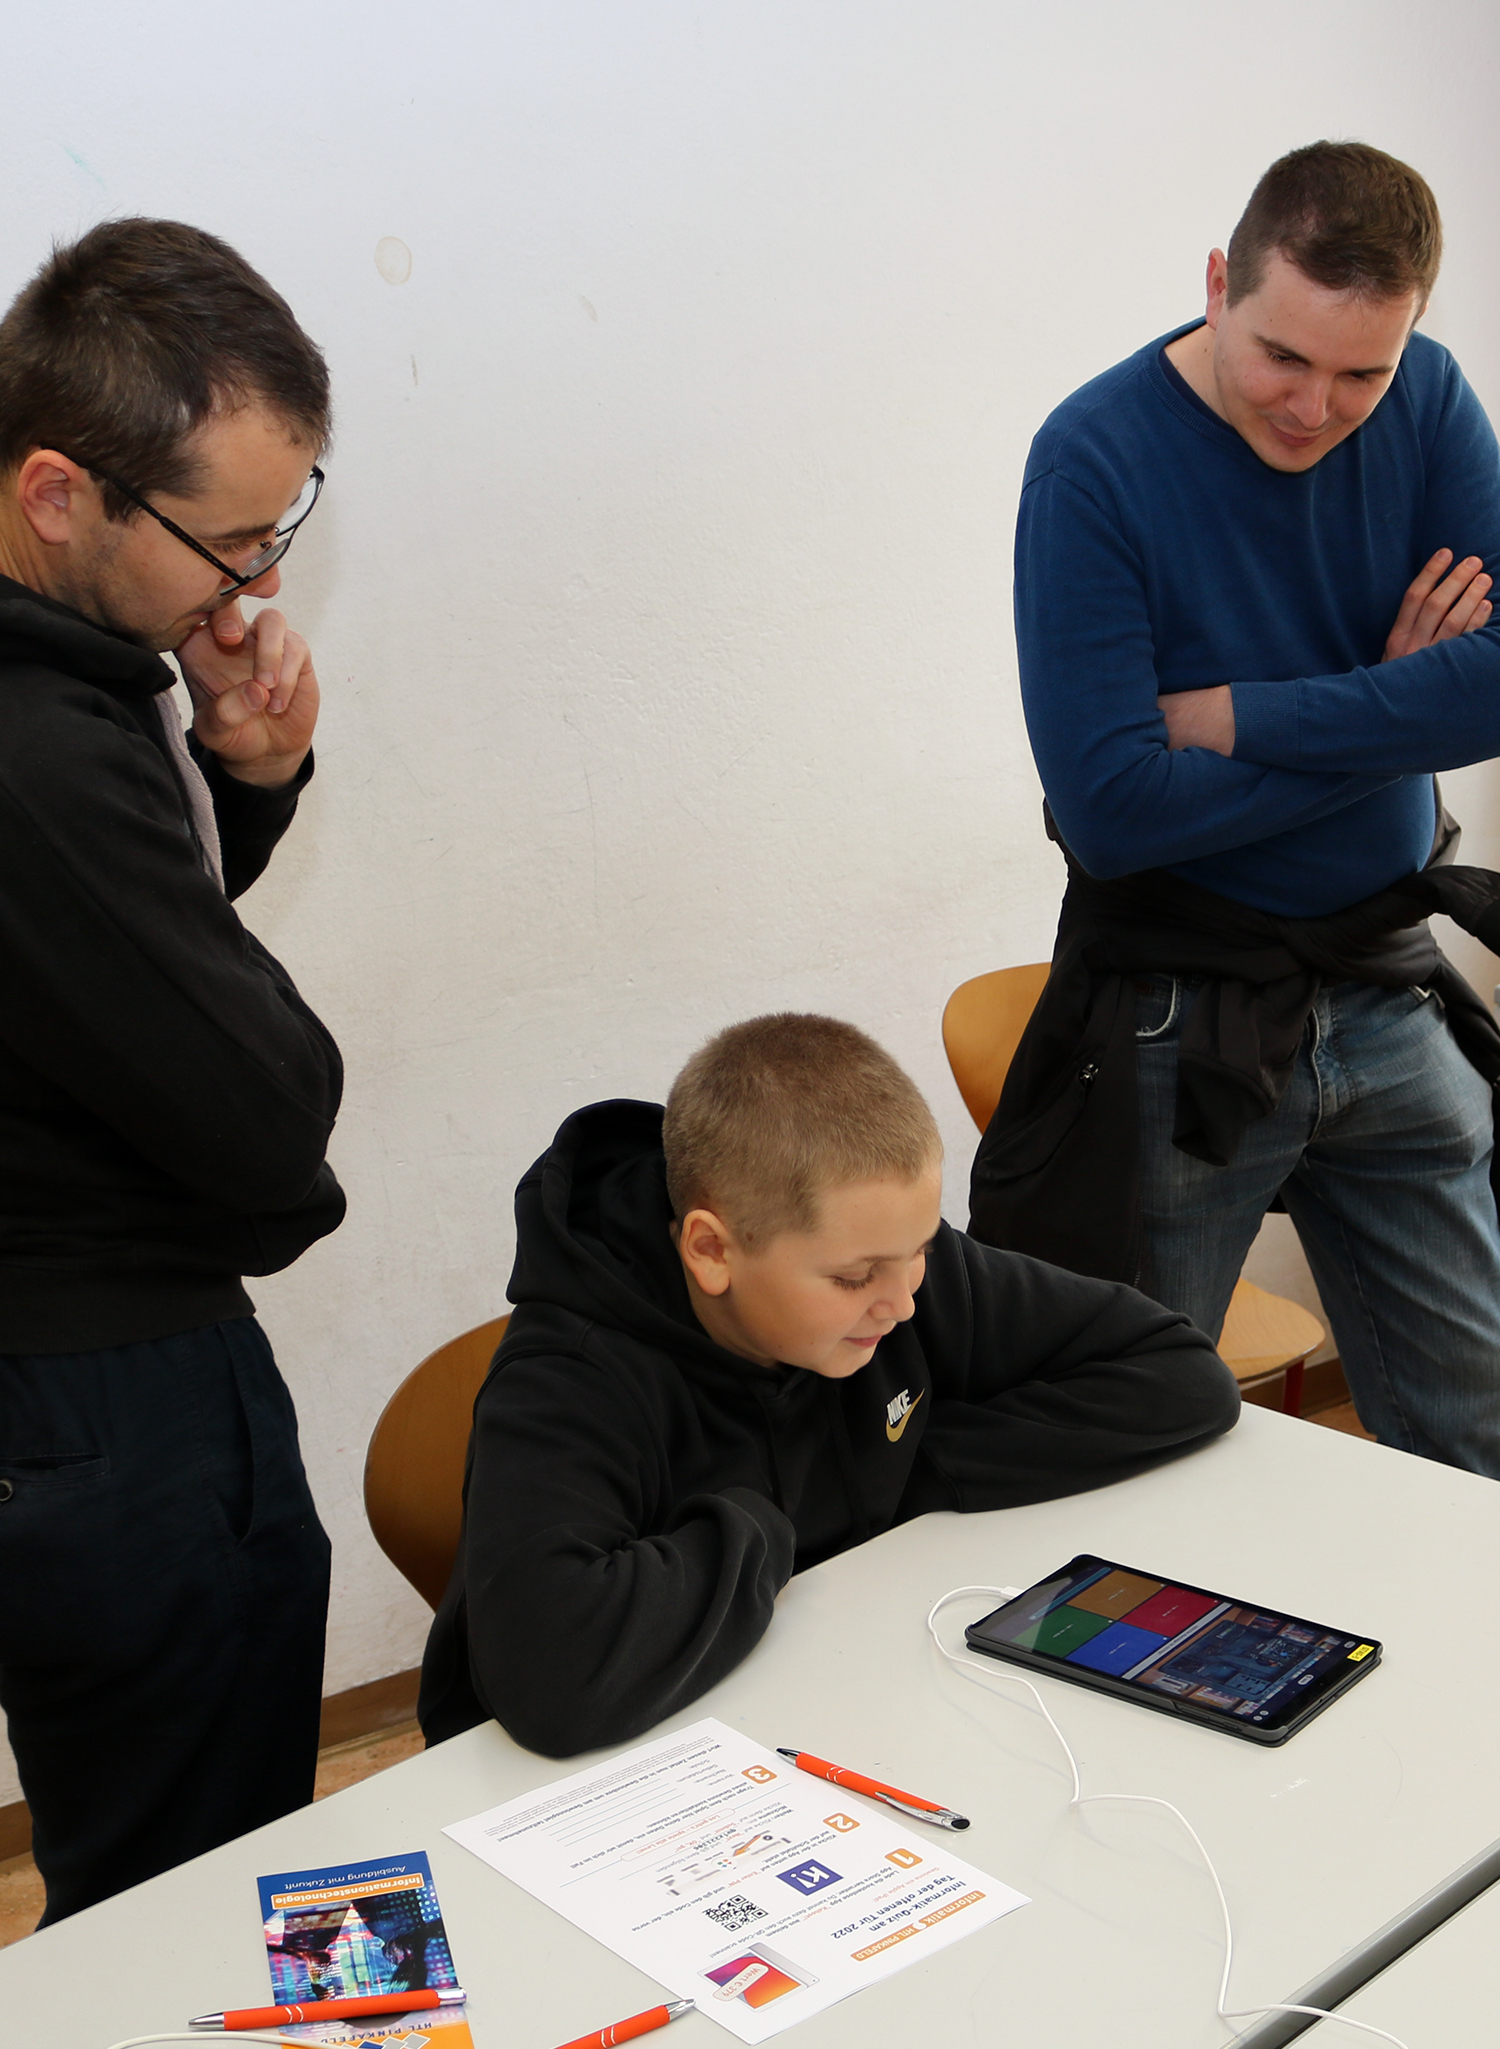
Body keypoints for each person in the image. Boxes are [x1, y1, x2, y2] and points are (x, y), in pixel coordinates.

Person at [970, 140, 1500, 1475]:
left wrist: (1243, 715)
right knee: (1132, 1449)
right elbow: (1115, 813)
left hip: (1384, 985)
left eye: (1361, 373)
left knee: (1479, 1436)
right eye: (1283, 357)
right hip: (1176, 1015)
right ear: (1219, 283)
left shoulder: (1432, 397)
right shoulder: (1091, 462)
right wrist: (1397, 701)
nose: (1316, 409)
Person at [420, 1013, 1238, 1759]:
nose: (903, 1301)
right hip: (586, 1785)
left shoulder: (893, 1266)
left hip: (838, 1700)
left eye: (921, 1249)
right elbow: (553, 1680)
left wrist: (910, 1476)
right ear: (712, 1250)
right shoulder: (569, 1379)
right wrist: (767, 1526)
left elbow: (1179, 1372)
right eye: (853, 1277)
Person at [0, 219, 344, 1922]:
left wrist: (243, 780)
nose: (255, 584)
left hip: (62, 1370)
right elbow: (269, 1108)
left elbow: (88, 978)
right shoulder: (37, 750)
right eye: (227, 543)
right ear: (59, 492)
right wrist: (282, 1076)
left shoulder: (74, 692)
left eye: (284, 529)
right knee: (192, 1889)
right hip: (104, 1393)